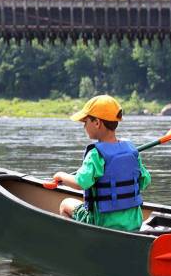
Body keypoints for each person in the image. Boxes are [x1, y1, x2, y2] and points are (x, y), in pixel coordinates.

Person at [53, 94, 151, 232]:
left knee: (65, 204)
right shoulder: (132, 150)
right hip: (134, 222)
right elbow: (145, 180)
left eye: (85, 122)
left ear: (97, 123)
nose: (84, 127)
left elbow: (80, 183)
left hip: (102, 223)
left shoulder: (95, 154)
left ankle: (78, 242)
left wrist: (61, 176)